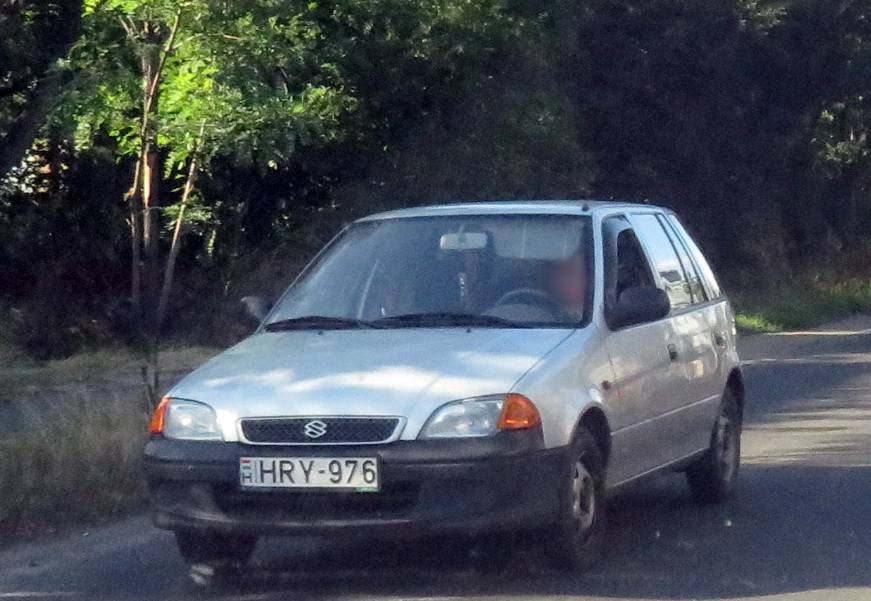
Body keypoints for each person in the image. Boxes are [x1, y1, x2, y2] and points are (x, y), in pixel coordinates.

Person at [547, 253, 588, 320]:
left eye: (571, 270)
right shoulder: (538, 308)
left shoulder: (600, 312)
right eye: (557, 270)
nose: (562, 277)